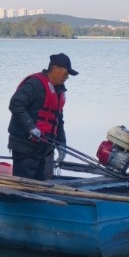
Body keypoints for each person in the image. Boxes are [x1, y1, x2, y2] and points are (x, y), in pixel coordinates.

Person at [6, 52, 77, 180]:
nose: (67, 77)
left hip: (43, 150)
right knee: (24, 186)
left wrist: (62, 143)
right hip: (24, 147)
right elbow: (15, 104)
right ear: (55, 69)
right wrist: (31, 127)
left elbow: (58, 120)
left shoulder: (58, 90)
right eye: (66, 73)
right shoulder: (35, 84)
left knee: (40, 184)